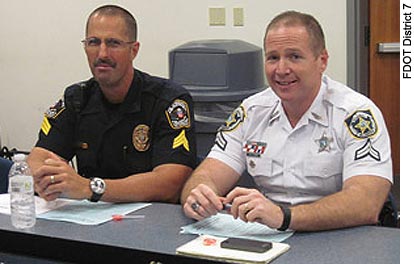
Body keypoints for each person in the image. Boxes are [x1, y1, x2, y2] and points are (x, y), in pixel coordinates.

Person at [181, 10, 393, 231]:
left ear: (322, 61)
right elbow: (207, 174)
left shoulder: (356, 114)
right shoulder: (251, 111)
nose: (281, 70)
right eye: (273, 58)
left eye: (294, 56)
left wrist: (285, 217)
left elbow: (366, 203)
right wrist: (199, 193)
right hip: (271, 236)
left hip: (340, 236)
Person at [27, 5, 197, 203]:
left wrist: (91, 188)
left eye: (113, 43)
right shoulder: (76, 98)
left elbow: (170, 183)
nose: (102, 54)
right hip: (88, 220)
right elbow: (38, 158)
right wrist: (49, 179)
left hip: (149, 222)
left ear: (134, 50)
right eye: (93, 42)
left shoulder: (169, 101)